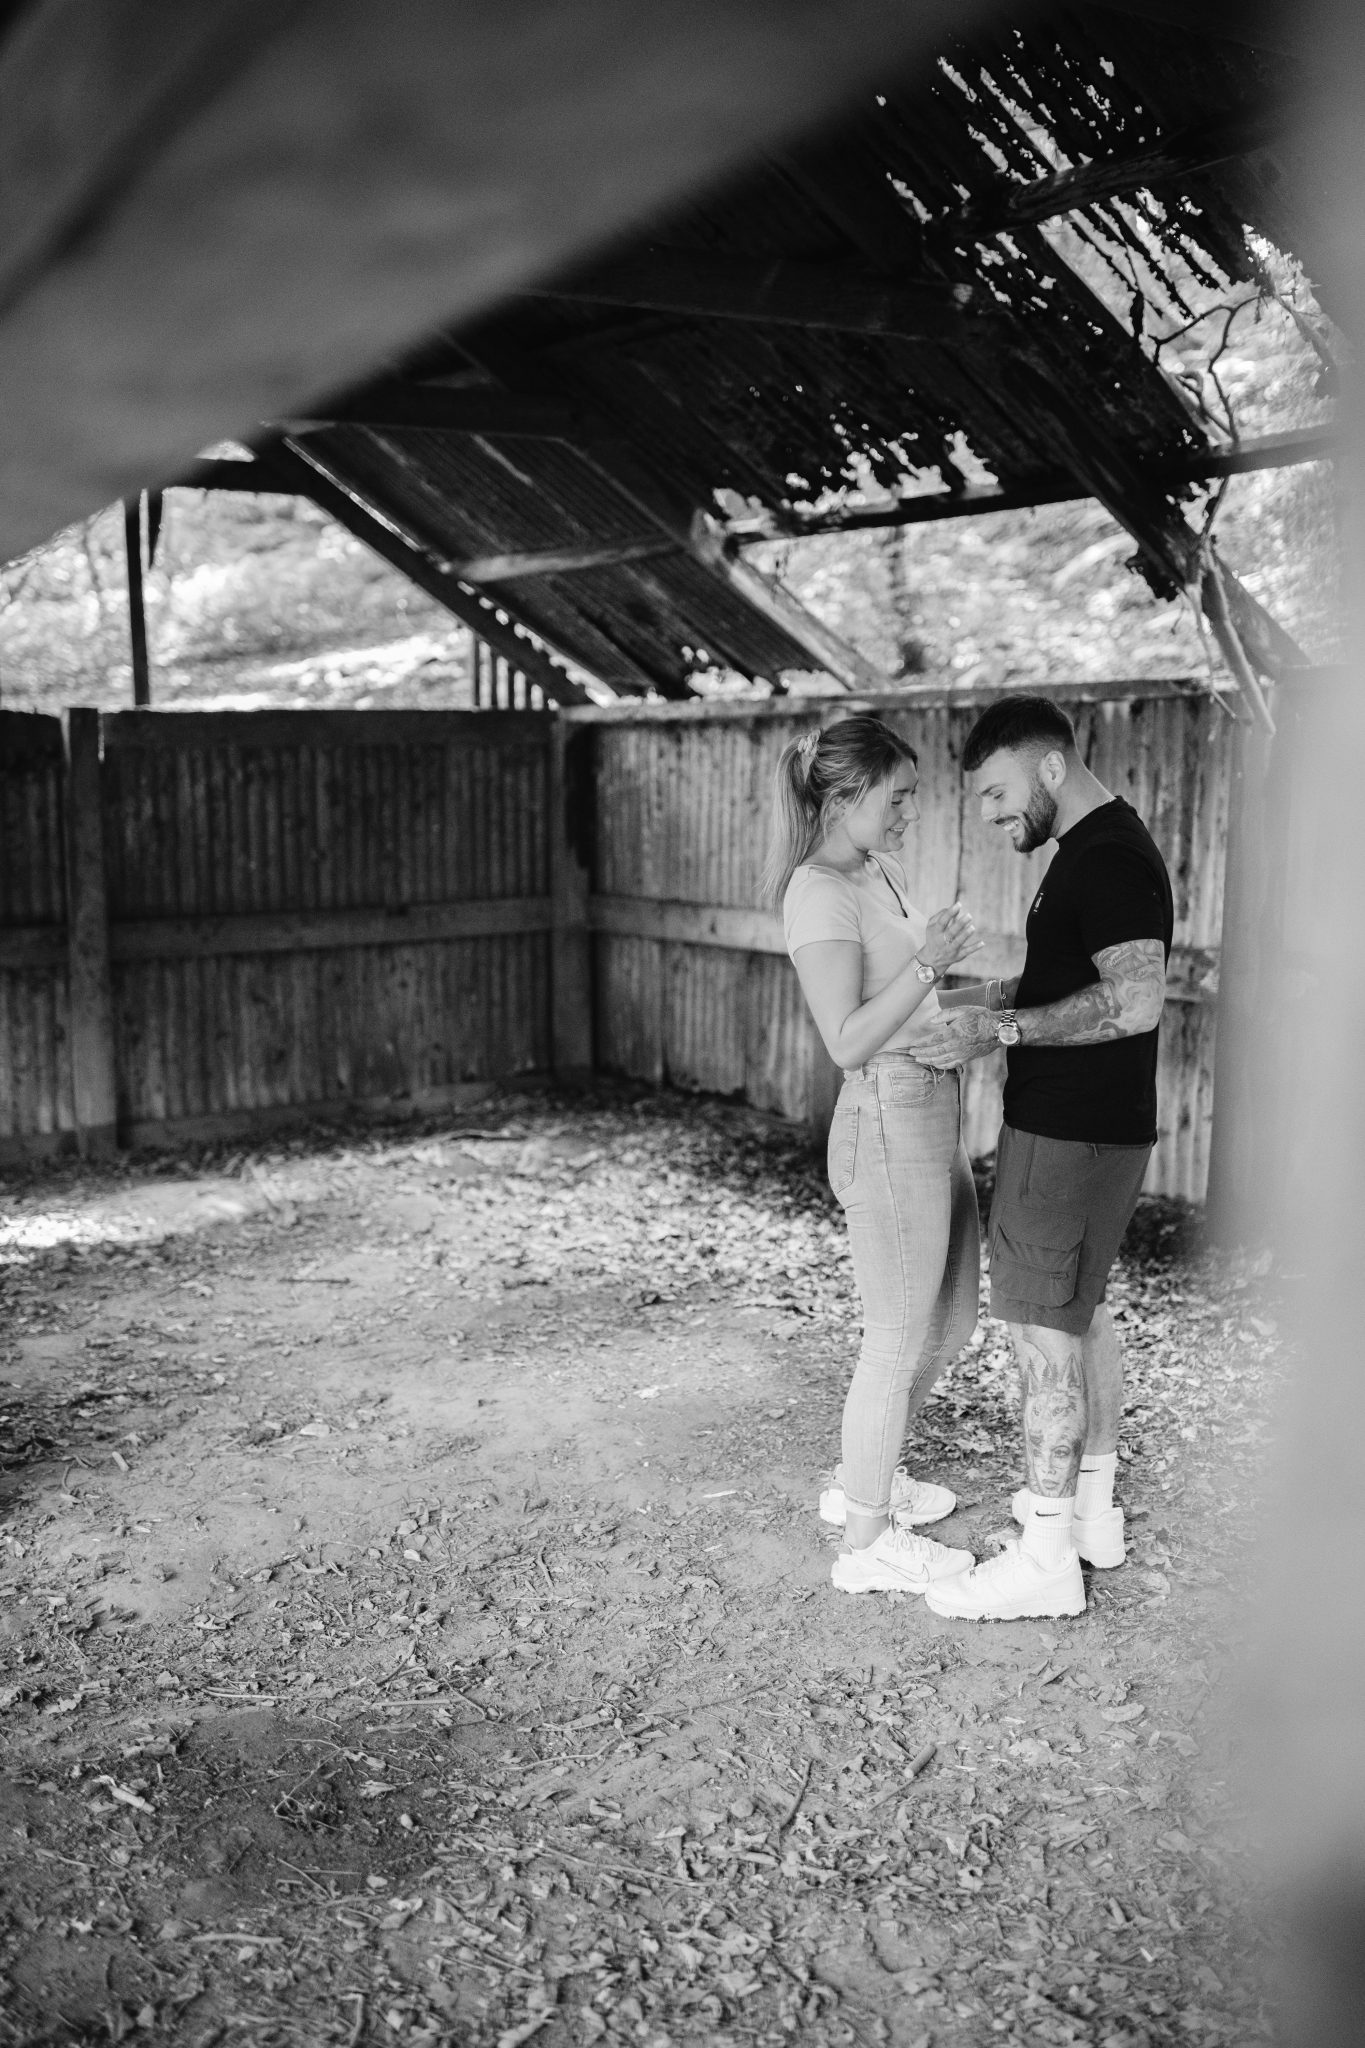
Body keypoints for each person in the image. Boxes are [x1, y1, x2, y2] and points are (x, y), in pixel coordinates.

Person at [907, 694, 1173, 1623]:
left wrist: (1002, 1029)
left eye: (994, 792)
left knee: (1039, 1337)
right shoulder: (1101, 851)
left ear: (1050, 768)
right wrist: (986, 996)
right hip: (1099, 1129)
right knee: (1078, 1315)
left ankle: (1046, 1556)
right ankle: (1092, 1514)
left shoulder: (1104, 858)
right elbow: (1081, 979)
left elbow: (1134, 1001)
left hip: (1066, 1139)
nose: (985, 815)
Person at [764, 713, 985, 1597]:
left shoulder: (881, 871)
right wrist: (930, 968)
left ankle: (871, 1468)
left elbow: (920, 994)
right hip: (884, 1117)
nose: (907, 818)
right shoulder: (816, 891)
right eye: (897, 800)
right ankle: (864, 1540)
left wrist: (975, 1018)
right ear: (847, 795)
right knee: (895, 1334)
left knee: (955, 1315)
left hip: (934, 1109)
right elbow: (848, 1040)